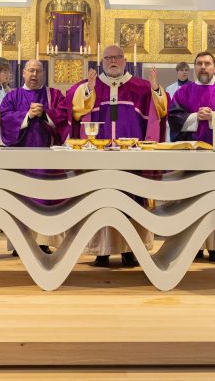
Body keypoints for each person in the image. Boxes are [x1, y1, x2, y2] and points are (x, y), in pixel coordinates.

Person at [66, 44, 167, 267]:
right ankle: (101, 250)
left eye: (117, 57)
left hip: (131, 161)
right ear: (102, 62)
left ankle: (131, 250)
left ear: (124, 60)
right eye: (108, 58)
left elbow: (160, 111)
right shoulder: (90, 86)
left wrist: (157, 89)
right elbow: (74, 111)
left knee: (131, 201)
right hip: (98, 160)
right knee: (100, 201)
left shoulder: (140, 87)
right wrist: (89, 91)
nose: (113, 61)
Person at [168, 52, 215, 262]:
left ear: (213, 67)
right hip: (192, 156)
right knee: (192, 200)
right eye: (199, 64)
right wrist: (194, 117)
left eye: (207, 64)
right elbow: (173, 116)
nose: (203, 67)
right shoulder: (184, 92)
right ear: (194, 67)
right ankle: (194, 245)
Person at [0, 59, 70, 254]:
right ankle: (19, 243)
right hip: (21, 161)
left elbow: (64, 117)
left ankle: (42, 241)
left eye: (38, 71)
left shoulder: (54, 95)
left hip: (48, 160)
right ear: (23, 73)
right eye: (30, 70)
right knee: (21, 199)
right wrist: (27, 116)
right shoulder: (12, 96)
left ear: (43, 73)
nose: (34, 75)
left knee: (45, 199)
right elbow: (4, 118)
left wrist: (45, 114)